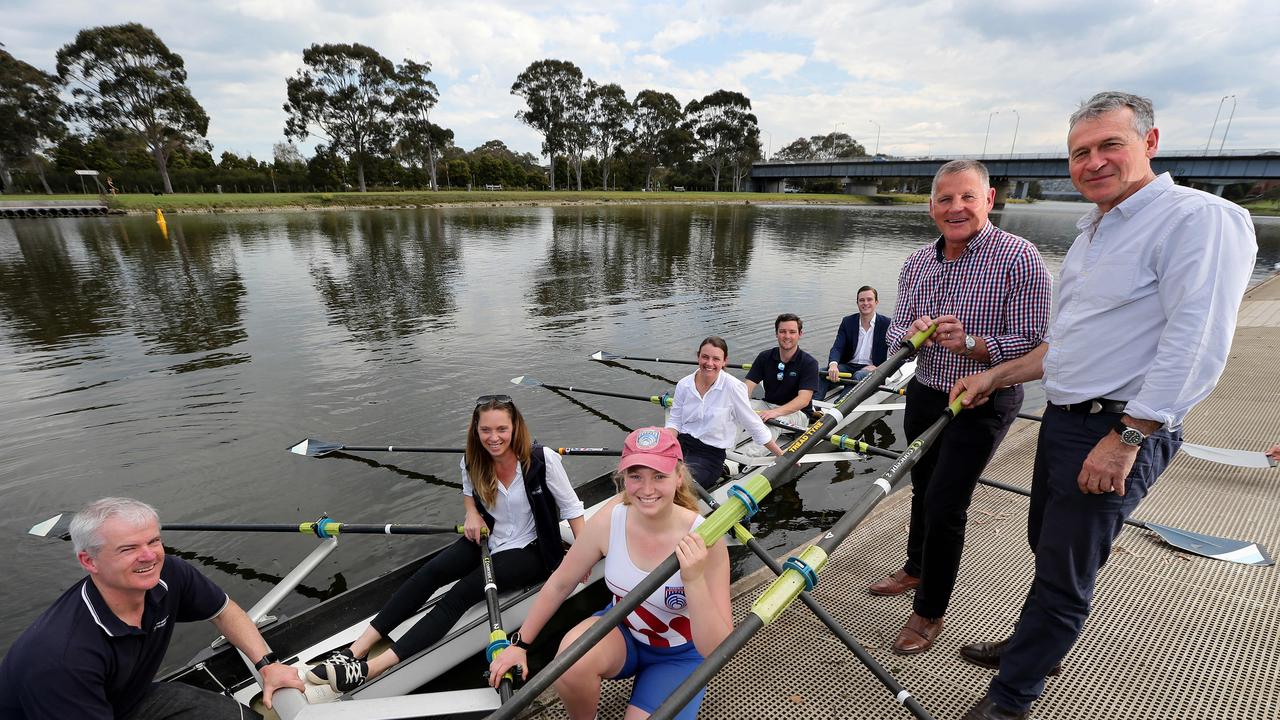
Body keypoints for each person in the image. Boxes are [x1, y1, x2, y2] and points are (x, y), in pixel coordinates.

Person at [949, 92, 1257, 720]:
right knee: (1046, 543)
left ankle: (1009, 701)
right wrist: (997, 375)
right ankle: (1036, 646)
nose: (1092, 162)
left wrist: (1129, 438)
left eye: (1108, 145)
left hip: (1116, 426)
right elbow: (1066, 347)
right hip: (1066, 420)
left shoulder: (1198, 220)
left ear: (1150, 142)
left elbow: (1196, 344)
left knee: (1066, 570)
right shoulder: (1095, 230)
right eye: (1079, 152)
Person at [871, 159, 1052, 657]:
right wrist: (907, 334)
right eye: (945, 199)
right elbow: (892, 332)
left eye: (968, 197)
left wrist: (972, 344)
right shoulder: (917, 262)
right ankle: (914, 567)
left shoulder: (1020, 258)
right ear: (931, 207)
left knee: (947, 503)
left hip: (984, 398)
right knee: (921, 484)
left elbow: (1035, 344)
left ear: (989, 200)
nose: (957, 208)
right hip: (928, 389)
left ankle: (929, 613)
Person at [306, 395, 586, 693]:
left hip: (533, 549)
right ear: (475, 431)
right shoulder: (471, 460)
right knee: (431, 572)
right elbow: (469, 493)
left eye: (502, 429)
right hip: (489, 537)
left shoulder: (542, 459)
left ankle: (371, 668)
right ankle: (354, 650)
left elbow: (572, 510)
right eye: (486, 430)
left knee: (462, 592)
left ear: (516, 427)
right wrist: (471, 512)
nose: (494, 438)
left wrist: (582, 558)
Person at [488, 427, 732, 720]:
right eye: (635, 476)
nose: (647, 489)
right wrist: (520, 645)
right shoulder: (610, 519)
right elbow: (561, 583)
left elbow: (717, 648)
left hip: (679, 655)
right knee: (569, 661)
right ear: (623, 478)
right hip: (622, 631)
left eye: (659, 476)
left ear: (679, 477)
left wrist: (693, 581)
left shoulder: (706, 538)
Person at [0, 497, 304, 719]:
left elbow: (223, 611)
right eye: (128, 548)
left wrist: (268, 664)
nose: (149, 556)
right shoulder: (62, 659)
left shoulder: (169, 574)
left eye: (154, 541)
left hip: (127, 700)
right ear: (89, 561)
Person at [666, 336, 782, 489]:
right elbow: (674, 421)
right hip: (681, 445)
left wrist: (782, 456)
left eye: (716, 359)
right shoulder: (684, 384)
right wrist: (663, 445)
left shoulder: (733, 387)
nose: (709, 363)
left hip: (710, 455)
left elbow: (753, 424)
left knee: (675, 485)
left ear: (724, 361)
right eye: (705, 357)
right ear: (698, 357)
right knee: (644, 475)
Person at [817, 285, 891, 399]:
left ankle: (839, 406)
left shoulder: (887, 324)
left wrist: (880, 367)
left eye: (869, 299)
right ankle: (812, 407)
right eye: (861, 300)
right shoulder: (848, 321)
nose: (865, 303)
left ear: (876, 302)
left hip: (872, 370)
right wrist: (833, 365)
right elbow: (837, 347)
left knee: (859, 375)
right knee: (822, 372)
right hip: (849, 367)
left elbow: (896, 352)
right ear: (857, 303)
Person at [744, 313, 821, 421]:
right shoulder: (764, 357)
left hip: (799, 413)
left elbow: (803, 400)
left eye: (792, 332)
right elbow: (747, 387)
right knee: (735, 412)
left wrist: (775, 413)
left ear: (800, 334)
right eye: (782, 332)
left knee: (771, 423)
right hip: (768, 405)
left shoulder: (809, 363)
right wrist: (742, 405)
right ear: (776, 334)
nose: (787, 336)